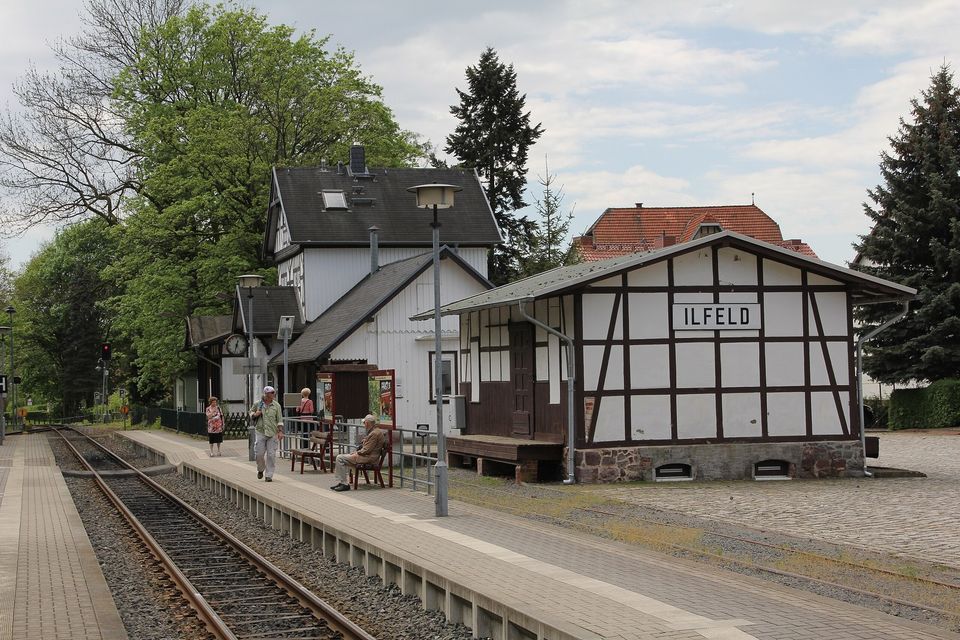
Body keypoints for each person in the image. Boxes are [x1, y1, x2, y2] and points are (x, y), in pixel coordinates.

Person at [331, 414, 387, 492]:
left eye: (364, 423)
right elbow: (368, 447)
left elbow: (366, 450)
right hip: (369, 456)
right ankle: (342, 482)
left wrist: (356, 453)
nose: (364, 425)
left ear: (367, 423)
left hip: (368, 458)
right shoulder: (376, 431)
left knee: (340, 458)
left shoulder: (374, 433)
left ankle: (344, 484)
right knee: (343, 458)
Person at [251, 386, 284, 482]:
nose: (274, 394)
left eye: (274, 392)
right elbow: (251, 412)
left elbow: (279, 419)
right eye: (272, 393)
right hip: (260, 431)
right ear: (266, 394)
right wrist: (255, 414)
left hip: (272, 432)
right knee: (259, 454)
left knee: (271, 455)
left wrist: (280, 431)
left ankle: (269, 475)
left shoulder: (276, 405)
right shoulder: (258, 404)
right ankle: (261, 469)